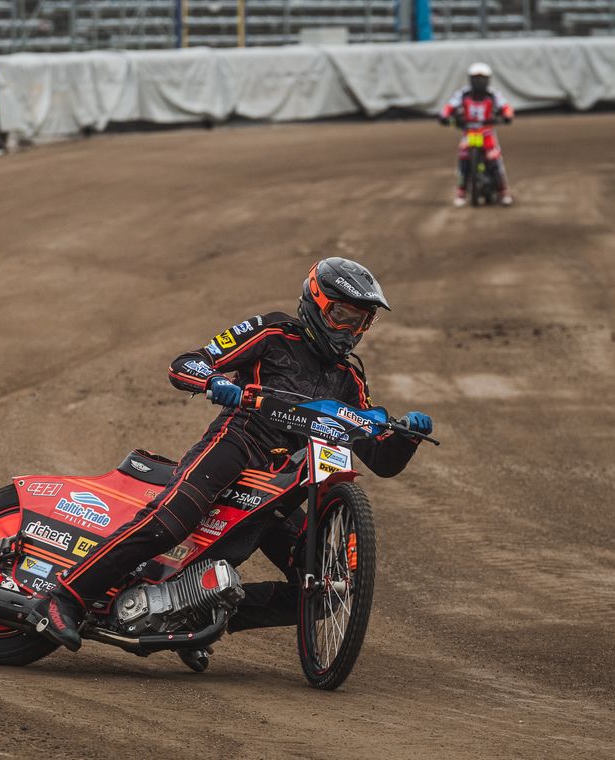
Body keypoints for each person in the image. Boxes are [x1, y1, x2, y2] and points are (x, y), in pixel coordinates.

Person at [33, 257, 434, 651]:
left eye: (362, 321)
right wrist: (213, 382)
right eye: (343, 315)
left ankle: (197, 612)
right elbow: (186, 363)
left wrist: (406, 437)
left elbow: (382, 460)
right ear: (315, 301)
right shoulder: (274, 332)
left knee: (323, 587)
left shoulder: (350, 379)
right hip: (238, 444)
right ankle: (64, 598)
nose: (351, 331)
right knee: (169, 523)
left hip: (282, 483)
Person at [439, 62, 515, 208]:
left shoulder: (493, 94)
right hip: (469, 133)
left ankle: (503, 191)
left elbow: (506, 107)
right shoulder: (463, 94)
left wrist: (507, 115)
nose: (479, 81)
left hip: (487, 132)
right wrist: (445, 116)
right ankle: (461, 191)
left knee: (495, 159)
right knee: (463, 159)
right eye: (475, 78)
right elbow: (448, 107)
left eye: (482, 78)